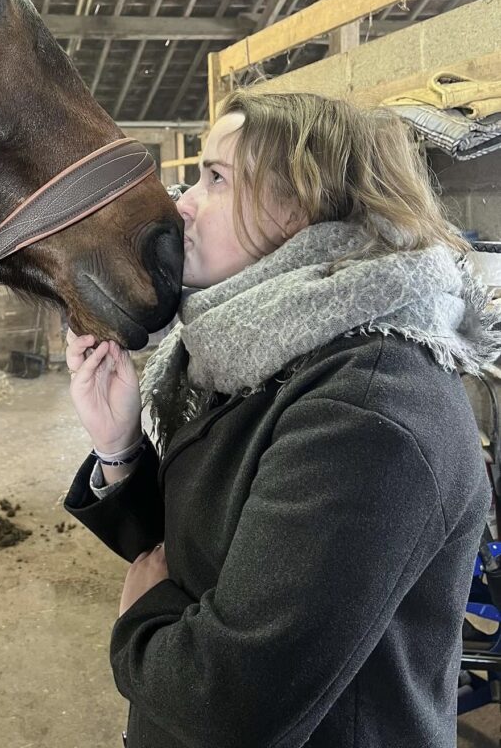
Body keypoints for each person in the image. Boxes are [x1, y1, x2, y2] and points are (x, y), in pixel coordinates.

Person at [64, 90, 496, 748]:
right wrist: (119, 445)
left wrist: (141, 622)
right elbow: (210, 554)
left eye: (213, 178)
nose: (183, 204)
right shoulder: (266, 352)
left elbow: (228, 704)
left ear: (298, 204)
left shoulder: (368, 410)